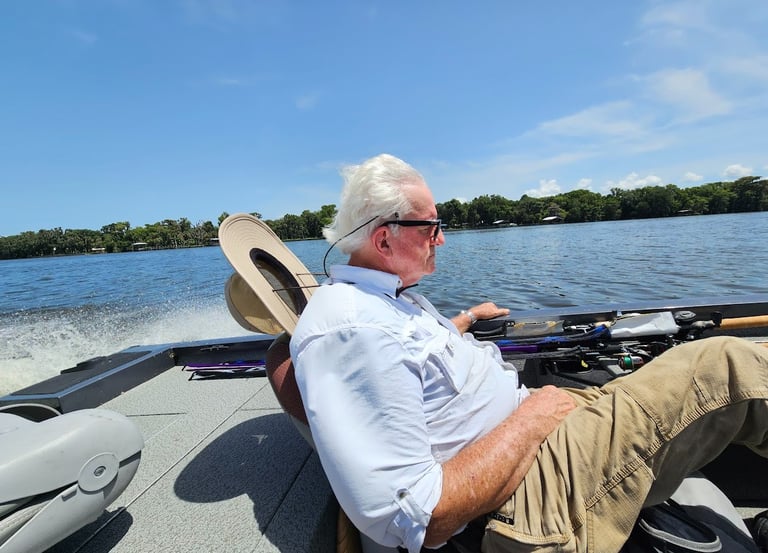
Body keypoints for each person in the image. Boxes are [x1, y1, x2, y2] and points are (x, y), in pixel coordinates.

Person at [289, 153, 768, 553]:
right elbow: (417, 517)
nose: (443, 238)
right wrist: (533, 419)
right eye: (431, 227)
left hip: (532, 440)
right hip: (524, 504)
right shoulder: (351, 331)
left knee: (679, 368)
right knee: (724, 365)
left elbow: (409, 355)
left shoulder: (389, 299)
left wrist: (463, 322)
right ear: (384, 238)